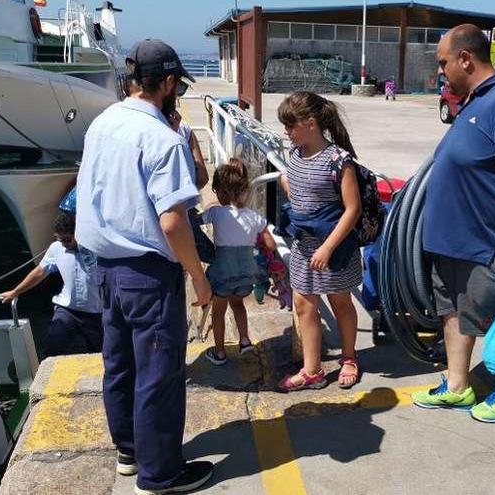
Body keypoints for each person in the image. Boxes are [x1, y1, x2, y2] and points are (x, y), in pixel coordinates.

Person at [75, 40, 213, 494]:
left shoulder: (101, 123)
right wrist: (198, 276)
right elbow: (173, 222)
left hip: (105, 271)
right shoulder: (162, 139)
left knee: (119, 366)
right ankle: (161, 475)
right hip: (148, 276)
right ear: (169, 83)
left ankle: (130, 453)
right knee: (159, 375)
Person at [411, 24, 495, 424]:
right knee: (452, 311)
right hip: (451, 240)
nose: (441, 71)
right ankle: (456, 385)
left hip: (486, 242)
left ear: (466, 59)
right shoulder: (475, 100)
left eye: (443, 63)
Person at [276, 91, 363, 391]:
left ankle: (349, 357)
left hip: (334, 247)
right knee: (303, 304)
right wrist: (288, 183)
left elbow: (353, 209)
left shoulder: (339, 161)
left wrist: (328, 247)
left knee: (340, 301)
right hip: (304, 244)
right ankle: (311, 369)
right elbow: (299, 190)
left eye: (290, 126)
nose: (286, 132)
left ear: (311, 123)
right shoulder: (295, 155)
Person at [201, 158, 277, 366]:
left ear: (221, 193)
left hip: (223, 273)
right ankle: (244, 341)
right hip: (246, 272)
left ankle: (220, 352)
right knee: (238, 304)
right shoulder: (254, 216)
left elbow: (198, 219)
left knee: (218, 311)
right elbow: (270, 244)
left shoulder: (216, 212)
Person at [0, 212, 102, 357]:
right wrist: (16, 291)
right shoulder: (56, 248)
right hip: (67, 309)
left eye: (67, 240)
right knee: (53, 345)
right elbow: (40, 272)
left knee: (99, 352)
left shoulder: (97, 248)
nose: (64, 244)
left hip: (97, 312)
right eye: (60, 240)